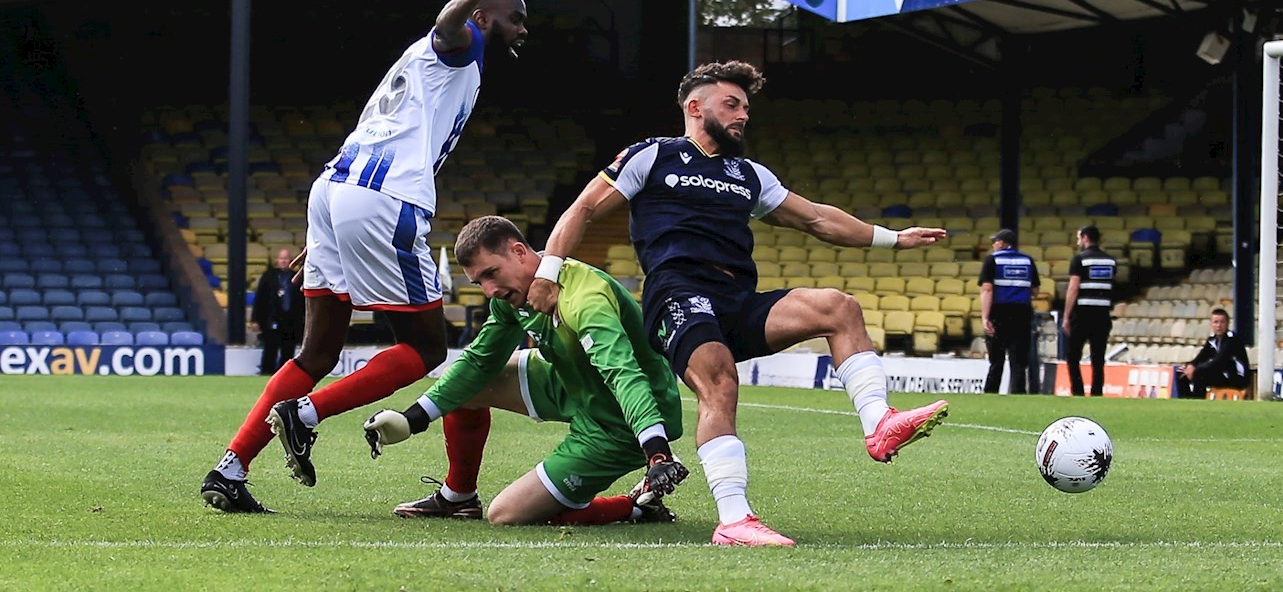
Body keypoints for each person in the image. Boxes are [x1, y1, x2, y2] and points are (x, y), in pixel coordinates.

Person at [525, 60, 951, 547]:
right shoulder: (652, 155)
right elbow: (583, 207)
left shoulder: (748, 174)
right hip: (678, 294)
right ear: (694, 107)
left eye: (746, 108)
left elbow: (816, 219)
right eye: (731, 104)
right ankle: (733, 521)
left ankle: (879, 424)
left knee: (839, 307)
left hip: (736, 299)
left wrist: (893, 239)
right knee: (720, 379)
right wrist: (549, 270)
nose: (742, 115)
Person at [199, 0, 528, 514]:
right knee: (425, 348)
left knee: (317, 349)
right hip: (382, 197)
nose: (523, 30)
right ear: (485, 18)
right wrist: (471, 0)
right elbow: (448, 29)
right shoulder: (464, 43)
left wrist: (332, 224)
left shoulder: (424, 65)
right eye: (515, 18)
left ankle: (231, 468)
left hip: (335, 190)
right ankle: (306, 415)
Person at [362, 215, 688, 526]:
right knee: (470, 383)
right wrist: (413, 418)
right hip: (569, 381)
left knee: (507, 513)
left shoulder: (586, 299)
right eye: (479, 282)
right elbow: (478, 361)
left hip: (622, 421)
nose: (489, 290)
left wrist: (657, 454)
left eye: (492, 274)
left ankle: (634, 508)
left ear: (519, 252)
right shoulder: (509, 298)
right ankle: (458, 496)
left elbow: (623, 374)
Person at [978, 229, 1038, 395]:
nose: (993, 245)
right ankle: (1018, 393)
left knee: (996, 359)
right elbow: (1035, 290)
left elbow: (987, 290)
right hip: (1022, 312)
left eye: (995, 241)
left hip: (999, 312)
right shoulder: (1028, 260)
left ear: (1002, 243)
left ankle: (991, 393)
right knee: (1018, 359)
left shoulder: (992, 260)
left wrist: (985, 317)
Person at [1062, 225, 1117, 397]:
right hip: (1102, 314)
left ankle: (1077, 392)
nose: (1078, 241)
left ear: (1085, 237)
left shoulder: (1079, 260)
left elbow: (1073, 288)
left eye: (1079, 237)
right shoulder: (1110, 261)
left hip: (1082, 314)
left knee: (1073, 356)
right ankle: (1096, 392)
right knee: (1098, 357)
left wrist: (1066, 316)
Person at [251, 247, 304, 376]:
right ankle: (266, 372)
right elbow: (260, 299)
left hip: (291, 320)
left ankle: (284, 376)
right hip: (272, 319)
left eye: (286, 259)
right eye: (281, 259)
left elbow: (303, 300)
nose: (284, 261)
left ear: (290, 260)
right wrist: (255, 319)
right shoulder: (268, 276)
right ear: (277, 260)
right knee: (270, 348)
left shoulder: (297, 277)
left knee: (288, 350)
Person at [1176, 307, 1251, 399]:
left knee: (1200, 372)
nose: (1219, 325)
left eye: (1222, 322)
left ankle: (1198, 400)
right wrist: (1190, 365)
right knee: (1181, 373)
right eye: (1216, 322)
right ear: (1211, 324)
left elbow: (1219, 360)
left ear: (1227, 324)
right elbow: (1202, 356)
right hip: (1221, 373)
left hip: (1236, 377)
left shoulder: (1232, 339)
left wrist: (1196, 369)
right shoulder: (1212, 339)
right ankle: (1186, 399)